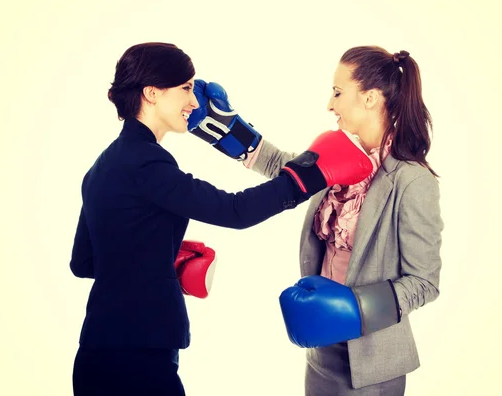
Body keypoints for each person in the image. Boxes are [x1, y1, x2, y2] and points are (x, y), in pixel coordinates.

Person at [68, 42, 376, 396]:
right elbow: (235, 211)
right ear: (151, 93)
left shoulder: (101, 166)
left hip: (98, 353)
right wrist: (309, 176)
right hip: (138, 357)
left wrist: (156, 252)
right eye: (185, 88)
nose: (195, 102)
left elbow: (85, 262)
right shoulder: (147, 163)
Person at [188, 46, 443, 395]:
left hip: (373, 364)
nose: (330, 104)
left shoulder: (412, 181)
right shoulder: (341, 156)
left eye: (338, 93)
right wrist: (224, 128)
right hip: (321, 346)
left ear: (369, 98)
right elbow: (285, 168)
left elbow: (424, 282)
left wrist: (354, 309)